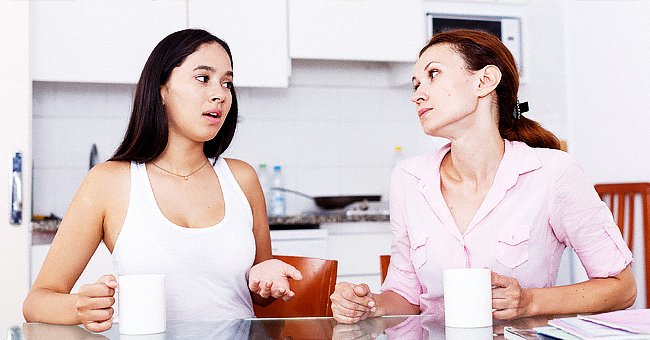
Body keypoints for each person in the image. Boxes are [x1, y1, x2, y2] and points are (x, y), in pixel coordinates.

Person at [330, 29, 636, 324]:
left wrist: (530, 301)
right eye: (415, 84)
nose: (417, 95)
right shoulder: (407, 178)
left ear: (484, 81)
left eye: (433, 75)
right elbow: (405, 295)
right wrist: (368, 305)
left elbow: (622, 288)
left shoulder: (554, 173)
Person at [23, 29, 302, 332]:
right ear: (161, 89)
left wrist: (267, 281)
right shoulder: (109, 182)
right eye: (202, 78)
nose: (220, 93)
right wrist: (80, 307)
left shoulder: (242, 178)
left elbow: (261, 297)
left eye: (227, 83)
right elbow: (37, 302)